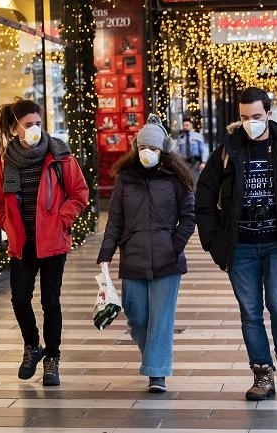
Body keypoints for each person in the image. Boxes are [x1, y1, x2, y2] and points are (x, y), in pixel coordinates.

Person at [195, 87, 277, 401]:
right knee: (250, 312)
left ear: (268, 113)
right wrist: (214, 242)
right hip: (240, 247)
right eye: (244, 118)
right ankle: (262, 373)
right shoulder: (227, 151)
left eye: (256, 116)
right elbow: (203, 198)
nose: (250, 123)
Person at [0, 98, 89, 386]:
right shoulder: (6, 160)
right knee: (19, 299)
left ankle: (52, 358)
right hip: (23, 243)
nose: (34, 129)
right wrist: (8, 225)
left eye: (38, 123)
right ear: (15, 128)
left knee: (50, 301)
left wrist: (61, 219)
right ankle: (32, 346)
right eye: (28, 125)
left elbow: (79, 193)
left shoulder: (59, 154)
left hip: (53, 242)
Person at [97, 114, 195, 393]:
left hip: (167, 259)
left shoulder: (177, 179)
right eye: (142, 148)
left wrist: (175, 244)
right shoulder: (125, 179)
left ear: (163, 150)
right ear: (135, 148)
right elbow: (115, 219)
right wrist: (107, 253)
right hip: (134, 257)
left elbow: (189, 217)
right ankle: (154, 359)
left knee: (161, 318)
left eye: (152, 149)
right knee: (137, 316)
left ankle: (157, 373)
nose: (146, 154)